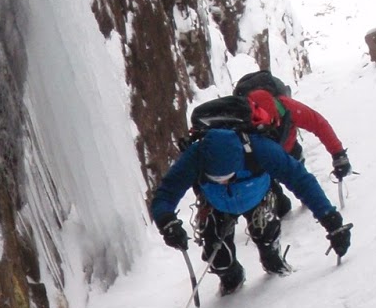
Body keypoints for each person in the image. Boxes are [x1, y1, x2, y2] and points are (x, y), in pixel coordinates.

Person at [150, 126, 351, 295]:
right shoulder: (195, 157)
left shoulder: (261, 150)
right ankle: (231, 277)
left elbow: (301, 180)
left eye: (227, 176)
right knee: (220, 261)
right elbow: (166, 192)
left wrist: (331, 221)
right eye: (217, 179)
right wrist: (166, 221)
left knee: (266, 239)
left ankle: (271, 256)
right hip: (216, 205)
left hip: (257, 198)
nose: (224, 182)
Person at [235, 76, 352, 218]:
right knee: (281, 208)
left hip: (287, 149)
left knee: (302, 181)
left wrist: (338, 154)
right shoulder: (241, 119)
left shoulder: (287, 107)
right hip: (264, 160)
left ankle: (306, 199)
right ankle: (279, 204)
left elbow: (318, 124)